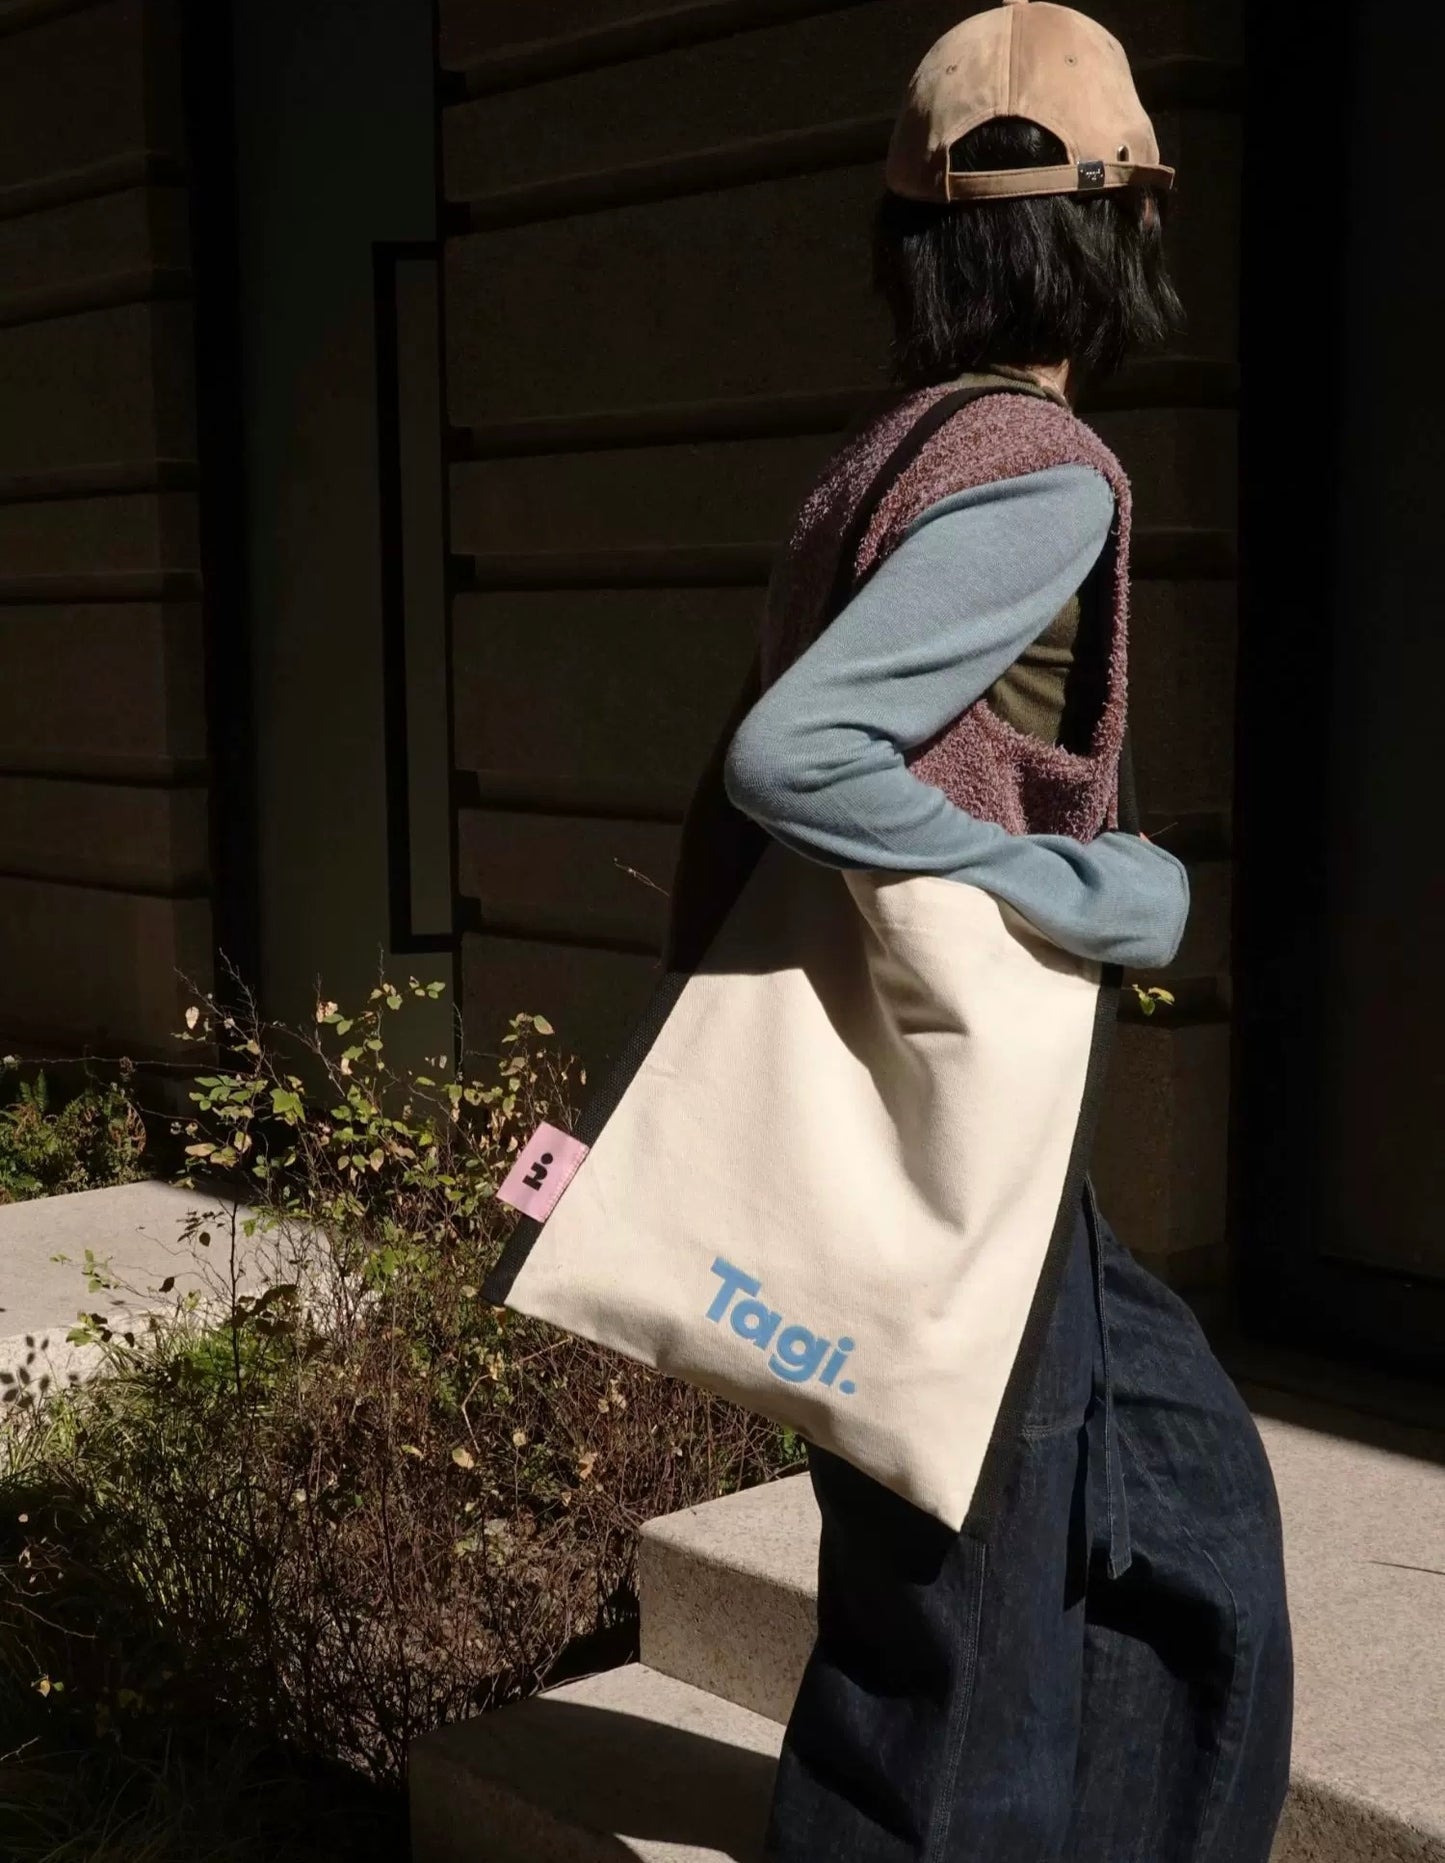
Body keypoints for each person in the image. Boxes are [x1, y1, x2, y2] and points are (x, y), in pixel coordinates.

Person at [677, 4, 1295, 1858]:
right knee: (951, 1658)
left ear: (910, 242)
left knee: (1183, 1511)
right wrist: (1096, 892)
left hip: (966, 1141)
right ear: (1121, 230)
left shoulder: (889, 452)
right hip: (956, 1143)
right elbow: (796, 753)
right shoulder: (1037, 467)